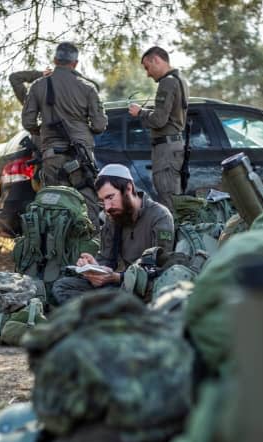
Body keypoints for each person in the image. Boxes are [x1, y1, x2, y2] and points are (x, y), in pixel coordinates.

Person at [51, 163, 175, 305]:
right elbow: (106, 258)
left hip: (142, 287)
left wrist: (117, 277)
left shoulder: (159, 216)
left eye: (110, 197)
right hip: (116, 284)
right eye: (103, 201)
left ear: (128, 188)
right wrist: (94, 268)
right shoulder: (114, 216)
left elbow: (161, 271)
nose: (107, 207)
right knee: (63, 286)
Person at [22, 42, 107, 225]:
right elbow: (99, 125)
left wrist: (44, 130)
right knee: (87, 201)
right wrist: (83, 131)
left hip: (52, 155)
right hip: (81, 156)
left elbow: (28, 122)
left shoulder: (38, 86)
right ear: (75, 63)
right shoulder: (88, 87)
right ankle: (90, 245)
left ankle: (55, 248)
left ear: (55, 60)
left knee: (53, 204)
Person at [128, 46, 189, 213]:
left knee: (167, 201)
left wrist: (140, 112)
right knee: (172, 198)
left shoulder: (167, 82)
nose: (147, 73)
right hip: (173, 146)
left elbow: (159, 120)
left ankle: (171, 238)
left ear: (157, 60)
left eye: (147, 67)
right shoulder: (179, 79)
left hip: (166, 150)